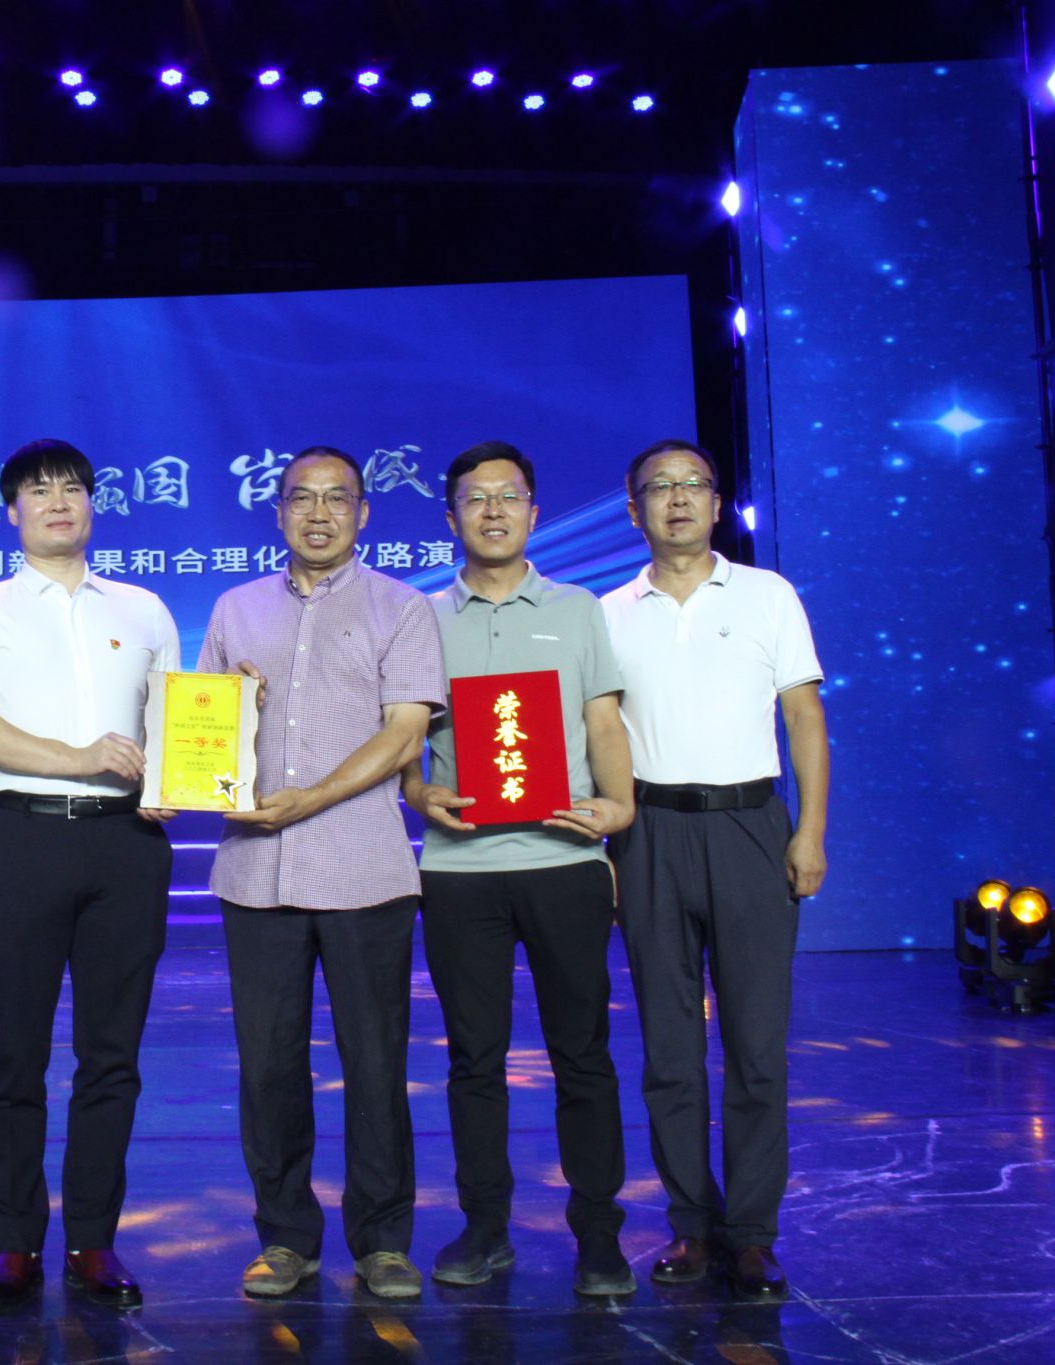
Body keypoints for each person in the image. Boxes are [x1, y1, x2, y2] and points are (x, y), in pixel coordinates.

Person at [0, 438, 179, 1312]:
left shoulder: (145, 608)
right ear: (12, 510)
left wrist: (197, 763)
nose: (58, 502)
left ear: (93, 503)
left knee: (112, 1053)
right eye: (38, 491)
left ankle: (93, 1239)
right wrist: (80, 758)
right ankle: (13, 1243)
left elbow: (174, 721)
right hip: (24, 838)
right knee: (15, 1050)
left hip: (127, 845)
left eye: (73, 488)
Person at [197, 445, 446, 1301]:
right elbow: (203, 731)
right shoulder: (235, 608)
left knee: (375, 1062)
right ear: (277, 511)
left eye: (337, 498)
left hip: (363, 868)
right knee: (267, 1065)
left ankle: (383, 1240)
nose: (319, 513)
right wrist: (235, 708)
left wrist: (311, 799)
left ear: (363, 513)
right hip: (255, 872)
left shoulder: (402, 607)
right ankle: (285, 1236)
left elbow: (404, 732)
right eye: (301, 497)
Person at [399, 441, 637, 1297]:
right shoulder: (420, 617)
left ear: (534, 513)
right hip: (459, 870)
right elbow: (405, 734)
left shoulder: (577, 608)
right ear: (451, 517)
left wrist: (619, 806)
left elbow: (602, 722)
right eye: (476, 497)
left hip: (564, 858)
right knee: (474, 1058)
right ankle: (484, 1225)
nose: (493, 510)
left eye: (509, 496)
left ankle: (599, 1234)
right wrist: (418, 790)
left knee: (584, 1053)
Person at [600, 439, 828, 1300]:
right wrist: (606, 849)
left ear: (717, 502)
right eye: (658, 487)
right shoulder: (608, 612)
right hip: (649, 832)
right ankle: (692, 1223)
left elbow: (804, 718)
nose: (677, 498)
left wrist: (809, 833)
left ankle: (754, 1233)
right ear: (634, 510)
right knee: (669, 1049)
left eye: (692, 484)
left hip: (750, 827)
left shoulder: (768, 595)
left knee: (757, 1046)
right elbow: (595, 737)